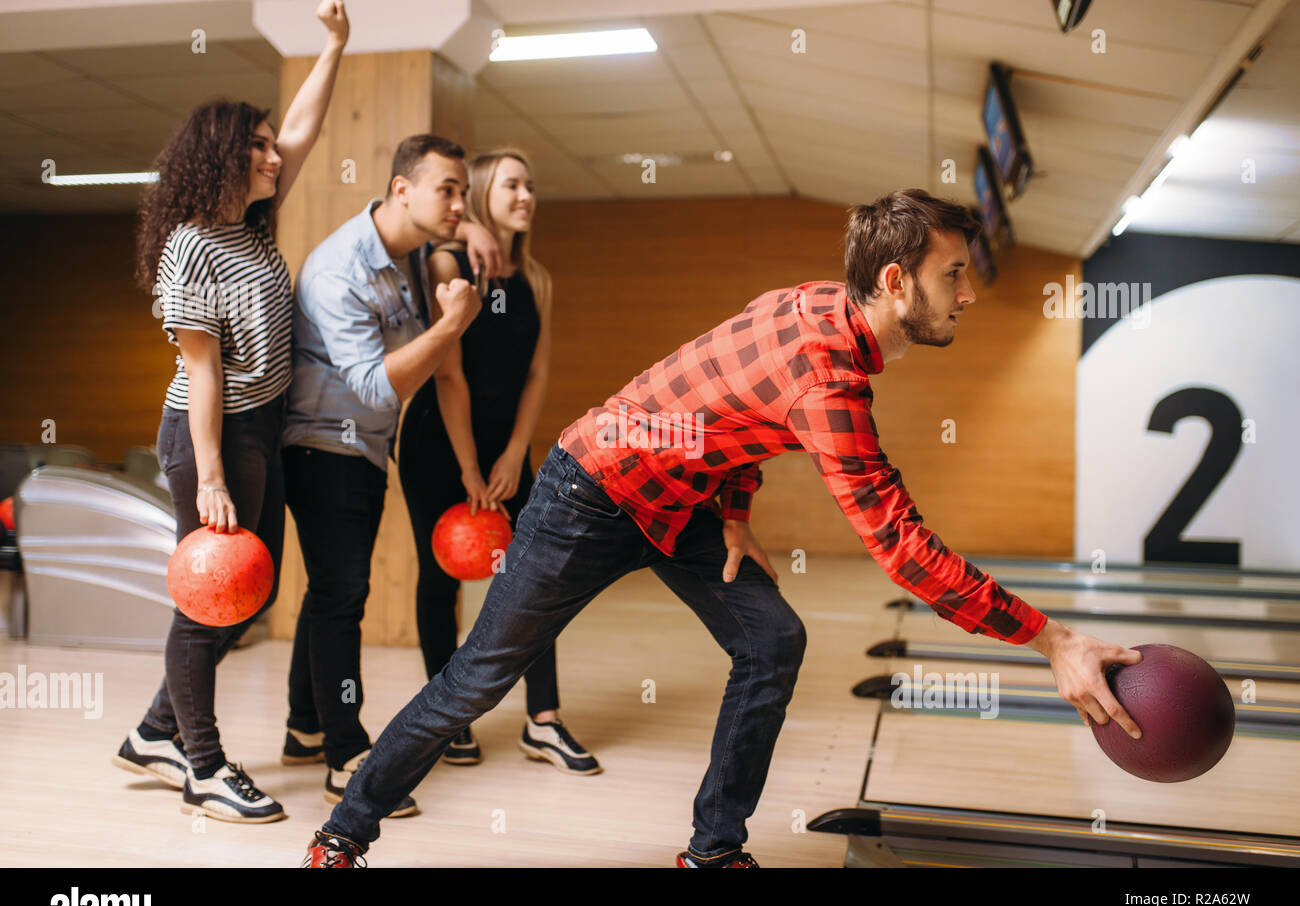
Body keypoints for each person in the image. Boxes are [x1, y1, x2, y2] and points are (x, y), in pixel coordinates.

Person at [300, 188, 1142, 867]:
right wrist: (1052, 639)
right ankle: (344, 833)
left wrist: (735, 516)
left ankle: (714, 849)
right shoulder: (831, 382)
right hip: (586, 492)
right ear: (893, 282)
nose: (967, 292)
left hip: (680, 503)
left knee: (772, 640)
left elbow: (729, 413)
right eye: (954, 274)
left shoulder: (816, 302)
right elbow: (902, 548)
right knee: (478, 676)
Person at [112, 0, 350, 824]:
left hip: (259, 431)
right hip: (208, 436)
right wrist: (211, 475)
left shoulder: (252, 227)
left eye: (266, 143)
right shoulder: (189, 245)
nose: (271, 155)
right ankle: (202, 765)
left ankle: (152, 731)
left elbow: (304, 131)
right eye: (254, 146)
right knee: (209, 598)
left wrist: (335, 44)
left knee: (247, 593)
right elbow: (202, 372)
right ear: (219, 156)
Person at [279, 134, 501, 816]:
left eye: (465, 191)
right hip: (325, 450)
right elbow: (377, 389)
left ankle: (304, 724)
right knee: (345, 597)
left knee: (329, 591)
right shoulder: (341, 268)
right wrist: (453, 325)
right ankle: (347, 754)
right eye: (449, 190)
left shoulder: (407, 251)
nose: (460, 204)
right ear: (401, 189)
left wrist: (474, 228)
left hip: (364, 451)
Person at [398, 149, 598, 774]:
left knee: (537, 578)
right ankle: (445, 718)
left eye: (531, 185)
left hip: (509, 450)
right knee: (442, 581)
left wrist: (514, 452)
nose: (526, 196)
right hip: (440, 444)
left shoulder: (536, 277)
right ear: (484, 192)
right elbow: (449, 373)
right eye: (512, 184)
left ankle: (544, 720)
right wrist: (469, 469)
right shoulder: (448, 261)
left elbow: (537, 372)